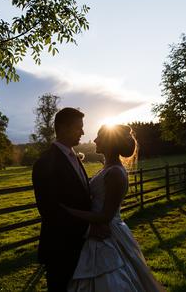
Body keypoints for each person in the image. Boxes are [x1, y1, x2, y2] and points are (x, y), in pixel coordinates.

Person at [63, 124, 166, 292]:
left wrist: (69, 212)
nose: (95, 140)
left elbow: (105, 216)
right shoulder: (108, 168)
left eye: (99, 136)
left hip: (108, 234)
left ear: (110, 142)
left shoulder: (115, 173)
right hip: (99, 231)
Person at [32, 108, 110, 292]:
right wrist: (89, 228)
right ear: (62, 128)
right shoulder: (45, 163)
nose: (83, 132)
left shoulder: (74, 157)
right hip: (60, 248)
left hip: (82, 247)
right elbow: (50, 209)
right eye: (78, 128)